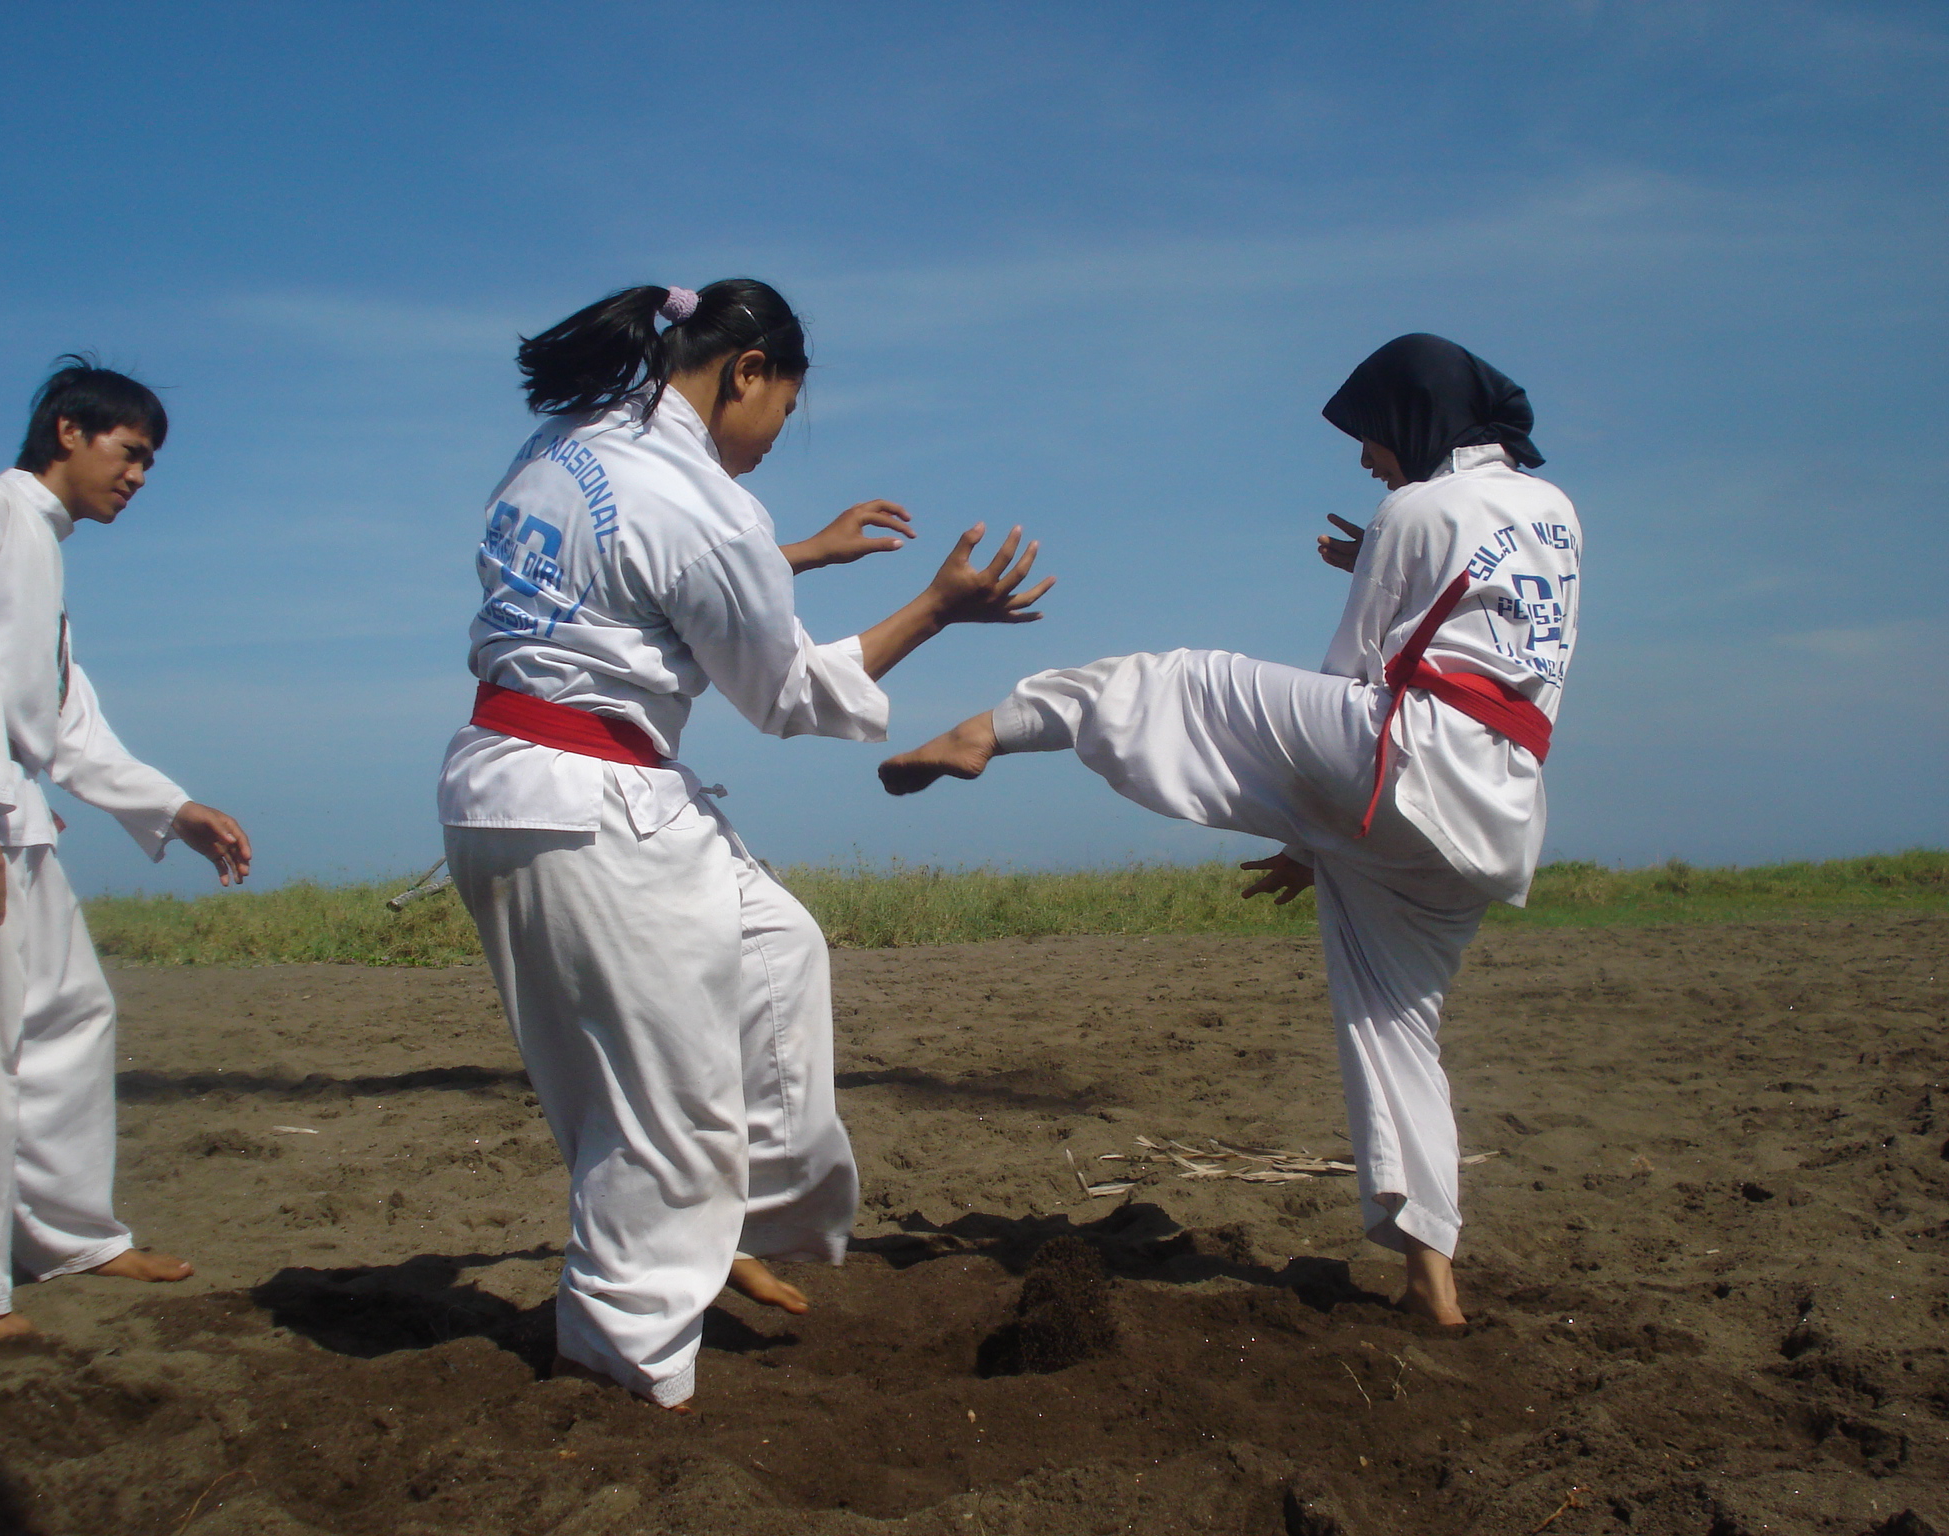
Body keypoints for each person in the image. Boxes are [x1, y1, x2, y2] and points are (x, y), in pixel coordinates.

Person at [880, 333, 1580, 1326]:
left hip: (1402, 759)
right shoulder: (1552, 512)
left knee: (1175, 685)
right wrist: (1321, 830)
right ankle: (1433, 1283)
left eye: (1368, 436)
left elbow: (1355, 674)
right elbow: (1482, 627)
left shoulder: (1415, 509)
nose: (1363, 458)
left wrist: (1308, 825)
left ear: (1410, 421)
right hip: (1494, 809)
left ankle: (985, 731)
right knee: (1393, 1028)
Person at [438, 279, 1050, 1408]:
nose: (774, 439)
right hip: (593, 808)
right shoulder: (700, 502)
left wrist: (798, 554)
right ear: (748, 371)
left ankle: (739, 1219)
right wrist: (934, 608)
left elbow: (643, 580)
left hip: (507, 785)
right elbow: (785, 694)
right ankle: (622, 1370)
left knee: (777, 946)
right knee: (663, 1121)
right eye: (783, 409)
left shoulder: (572, 439)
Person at [0, 357, 254, 1342]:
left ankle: (68, 1236)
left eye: (149, 462)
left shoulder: (40, 547)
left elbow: (62, 721)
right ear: (69, 431)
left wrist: (172, 808)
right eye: (129, 452)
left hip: (13, 819)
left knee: (71, 1017)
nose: (138, 476)